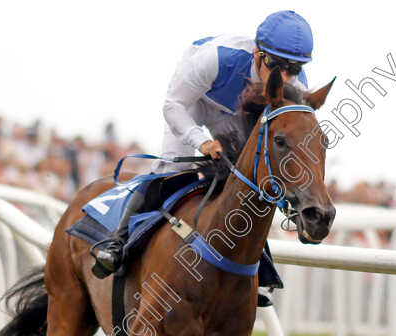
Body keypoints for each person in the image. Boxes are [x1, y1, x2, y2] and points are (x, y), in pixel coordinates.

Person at [92, 10, 314, 293]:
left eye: (293, 69)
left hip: (237, 115)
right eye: (276, 64)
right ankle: (117, 242)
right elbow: (173, 106)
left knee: (248, 179)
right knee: (173, 173)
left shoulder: (297, 88)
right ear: (257, 53)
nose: (284, 77)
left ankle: (258, 267)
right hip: (194, 102)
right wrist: (201, 141)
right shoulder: (216, 57)